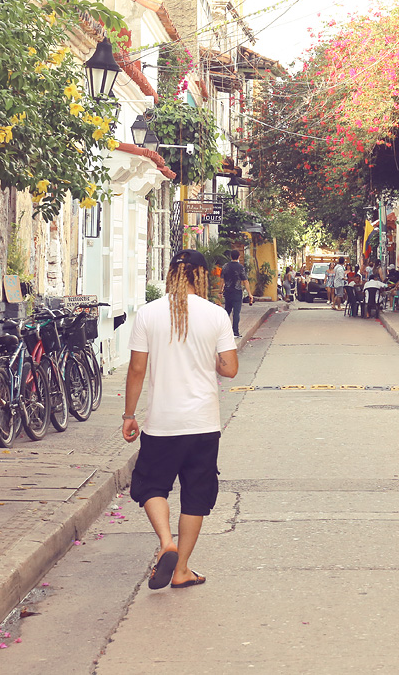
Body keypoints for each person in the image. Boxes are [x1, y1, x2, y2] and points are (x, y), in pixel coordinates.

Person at [122, 249, 238, 590]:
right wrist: (211, 362)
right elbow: (230, 368)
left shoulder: (148, 314)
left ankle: (166, 543)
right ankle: (182, 569)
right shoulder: (216, 315)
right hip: (203, 424)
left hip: (163, 422)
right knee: (196, 494)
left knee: (152, 485)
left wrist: (129, 415)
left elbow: (137, 369)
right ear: (201, 275)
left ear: (172, 274)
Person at [220, 249, 252, 337]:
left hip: (228, 292)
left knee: (227, 311)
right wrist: (249, 293)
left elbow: (222, 280)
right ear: (239, 257)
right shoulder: (240, 267)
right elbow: (245, 281)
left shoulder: (225, 266)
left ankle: (223, 331)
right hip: (237, 292)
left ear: (230, 256)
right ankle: (235, 332)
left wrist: (220, 291)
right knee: (236, 313)